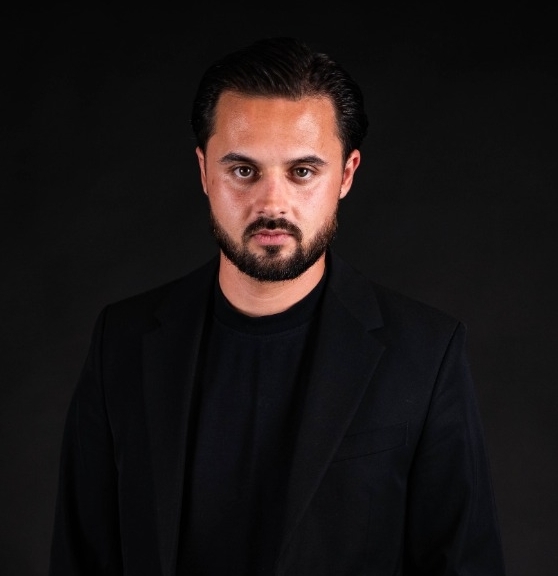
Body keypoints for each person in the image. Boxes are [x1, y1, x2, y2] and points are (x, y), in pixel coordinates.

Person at [49, 37, 506, 575]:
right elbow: (81, 558)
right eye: (243, 171)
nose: (272, 204)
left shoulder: (425, 353)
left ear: (347, 174)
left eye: (302, 171)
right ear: (204, 171)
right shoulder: (122, 341)